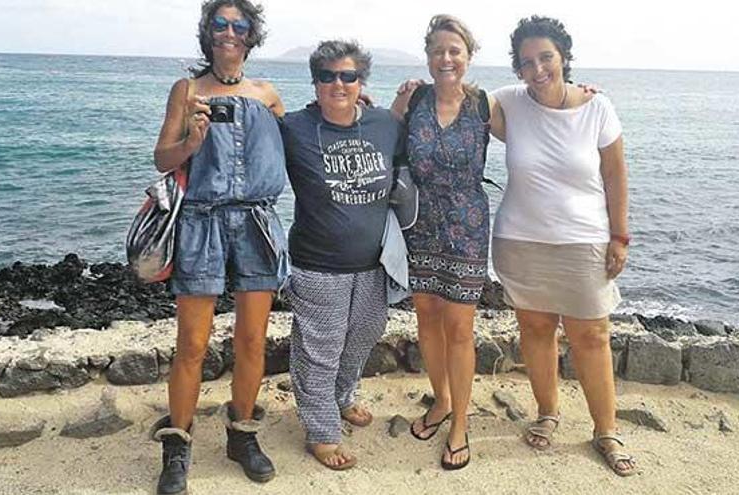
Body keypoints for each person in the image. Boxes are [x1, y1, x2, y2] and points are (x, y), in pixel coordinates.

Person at [150, 1, 289, 493]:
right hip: (201, 224)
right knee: (191, 344)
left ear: (252, 36)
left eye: (239, 25)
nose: (229, 32)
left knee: (253, 340)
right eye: (220, 24)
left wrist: (361, 112)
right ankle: (177, 446)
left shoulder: (268, 94)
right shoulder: (186, 91)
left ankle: (242, 435)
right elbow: (162, 158)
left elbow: (301, 143)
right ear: (208, 33)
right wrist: (191, 140)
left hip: (256, 223)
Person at [489, 15, 636, 476]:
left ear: (564, 57)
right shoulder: (506, 104)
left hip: (584, 240)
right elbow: (453, 99)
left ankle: (605, 429)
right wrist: (400, 97)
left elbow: (615, 175)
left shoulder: (597, 107)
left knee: (592, 336)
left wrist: (620, 235)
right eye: (527, 62)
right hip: (520, 239)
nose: (538, 69)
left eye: (546, 58)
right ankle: (547, 412)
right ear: (517, 68)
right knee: (535, 332)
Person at [281, 39, 406, 471]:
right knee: (320, 348)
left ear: (361, 81)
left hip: (373, 261)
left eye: (348, 76)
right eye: (327, 76)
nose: (339, 83)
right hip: (317, 263)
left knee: (364, 334)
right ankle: (322, 431)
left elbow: (428, 123)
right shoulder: (294, 127)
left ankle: (342, 397)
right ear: (314, 82)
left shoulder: (384, 124)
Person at [389, 14, 500, 471]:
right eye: (438, 50)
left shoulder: (485, 106)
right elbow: (373, 130)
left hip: (468, 226)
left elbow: (542, 119)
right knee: (427, 317)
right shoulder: (414, 100)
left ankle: (459, 425)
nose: (446, 58)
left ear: (468, 56)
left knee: (459, 327)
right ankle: (441, 401)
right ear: (429, 57)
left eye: (455, 50)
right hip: (419, 222)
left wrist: (579, 97)